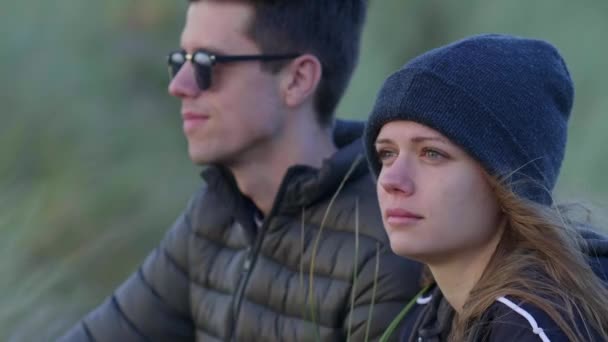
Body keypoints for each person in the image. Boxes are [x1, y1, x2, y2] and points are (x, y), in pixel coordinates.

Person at [60, 0, 423, 341]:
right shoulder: (215, 213)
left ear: (296, 80)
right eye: (181, 59)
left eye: (206, 62)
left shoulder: (384, 246)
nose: (179, 85)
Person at [363, 34, 608, 341]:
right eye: (387, 153)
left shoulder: (535, 327)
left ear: (505, 181)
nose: (390, 180)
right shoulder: (434, 309)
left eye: (432, 153)